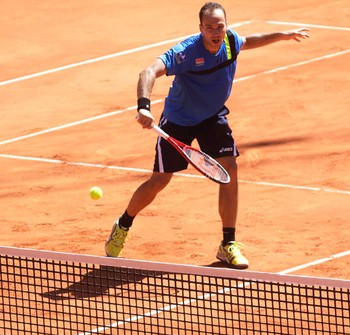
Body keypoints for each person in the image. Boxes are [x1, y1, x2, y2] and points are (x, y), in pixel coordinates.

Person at [104, 2, 310, 269]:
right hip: (178, 121)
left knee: (230, 169)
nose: (215, 31)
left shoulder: (230, 41)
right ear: (200, 28)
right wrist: (144, 107)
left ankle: (228, 244)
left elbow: (248, 40)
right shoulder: (185, 53)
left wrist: (281, 35)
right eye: (209, 27)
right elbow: (148, 71)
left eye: (220, 26)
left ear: (226, 26)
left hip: (212, 117)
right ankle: (123, 224)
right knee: (159, 181)